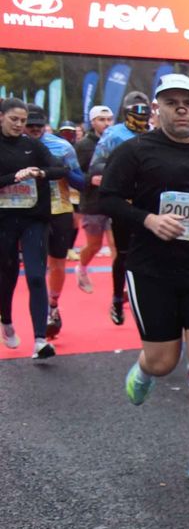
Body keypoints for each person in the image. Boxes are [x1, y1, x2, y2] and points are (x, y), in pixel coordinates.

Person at [94, 74, 189, 481]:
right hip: (152, 271)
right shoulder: (135, 151)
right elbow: (105, 198)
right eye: (172, 102)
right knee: (165, 361)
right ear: (158, 109)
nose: (181, 108)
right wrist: (148, 219)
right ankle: (145, 368)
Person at [0, 99, 68, 359]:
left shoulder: (33, 145)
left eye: (23, 121)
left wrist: (39, 173)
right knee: (7, 275)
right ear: (1, 117)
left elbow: (60, 169)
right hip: (4, 220)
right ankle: (6, 319)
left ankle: (40, 340)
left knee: (37, 276)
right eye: (14, 120)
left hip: (33, 219)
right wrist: (13, 178)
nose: (19, 125)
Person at [90, 93, 153, 326]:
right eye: (135, 115)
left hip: (149, 201)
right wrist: (112, 175)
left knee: (150, 250)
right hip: (124, 201)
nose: (140, 119)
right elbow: (95, 165)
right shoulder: (113, 134)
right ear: (126, 114)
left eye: (144, 115)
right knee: (124, 253)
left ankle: (148, 297)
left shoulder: (155, 133)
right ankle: (117, 297)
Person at [24, 106, 86, 341]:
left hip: (59, 210)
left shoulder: (62, 146)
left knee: (57, 264)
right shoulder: (12, 145)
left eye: (39, 125)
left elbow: (81, 183)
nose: (35, 129)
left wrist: (64, 171)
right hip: (26, 212)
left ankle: (53, 306)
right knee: (33, 269)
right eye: (30, 125)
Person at [75, 104, 114, 295]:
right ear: (93, 122)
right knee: (94, 245)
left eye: (109, 120)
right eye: (101, 120)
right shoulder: (83, 145)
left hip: (115, 201)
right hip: (93, 202)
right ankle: (81, 267)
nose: (106, 124)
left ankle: (120, 289)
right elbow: (74, 174)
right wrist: (91, 179)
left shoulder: (116, 140)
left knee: (117, 247)